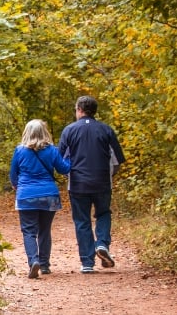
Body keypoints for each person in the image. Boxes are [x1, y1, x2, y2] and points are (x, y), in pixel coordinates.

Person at [58, 96, 126, 274]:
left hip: (78, 183)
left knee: (82, 220)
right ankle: (102, 243)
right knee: (103, 213)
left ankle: (87, 262)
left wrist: (68, 174)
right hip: (102, 181)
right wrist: (109, 174)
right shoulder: (106, 130)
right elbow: (117, 160)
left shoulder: (69, 131)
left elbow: (61, 159)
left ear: (79, 109)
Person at [10, 119, 71, 278]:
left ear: (27, 132)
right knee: (44, 230)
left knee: (29, 231)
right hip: (48, 195)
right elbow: (64, 169)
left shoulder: (19, 151)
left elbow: (13, 175)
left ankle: (33, 261)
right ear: (44, 132)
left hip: (26, 196)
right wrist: (70, 157)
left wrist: (17, 186)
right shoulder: (52, 150)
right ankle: (44, 265)